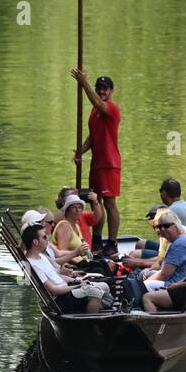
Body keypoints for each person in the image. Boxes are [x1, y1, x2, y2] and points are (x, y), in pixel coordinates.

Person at [70, 70, 121, 248]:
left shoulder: (111, 108)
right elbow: (92, 137)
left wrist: (83, 83)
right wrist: (80, 152)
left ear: (111, 91)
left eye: (105, 89)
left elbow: (99, 104)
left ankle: (113, 243)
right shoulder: (94, 111)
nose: (101, 91)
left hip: (110, 163)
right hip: (96, 164)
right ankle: (97, 240)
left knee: (109, 203)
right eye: (98, 88)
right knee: (94, 201)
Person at [21, 222, 111, 314]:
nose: (47, 240)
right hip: (58, 300)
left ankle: (94, 307)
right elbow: (53, 290)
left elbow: (57, 276)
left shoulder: (42, 256)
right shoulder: (33, 266)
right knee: (95, 292)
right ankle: (92, 322)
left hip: (66, 290)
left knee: (105, 286)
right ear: (35, 242)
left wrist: (78, 281)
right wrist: (77, 286)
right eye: (44, 237)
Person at [142, 211, 186, 313]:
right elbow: (164, 269)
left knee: (144, 291)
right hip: (181, 281)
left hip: (181, 287)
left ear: (176, 226)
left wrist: (144, 284)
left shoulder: (179, 244)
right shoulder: (179, 240)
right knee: (147, 276)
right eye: (160, 226)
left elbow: (164, 274)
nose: (162, 229)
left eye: (166, 226)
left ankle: (154, 322)